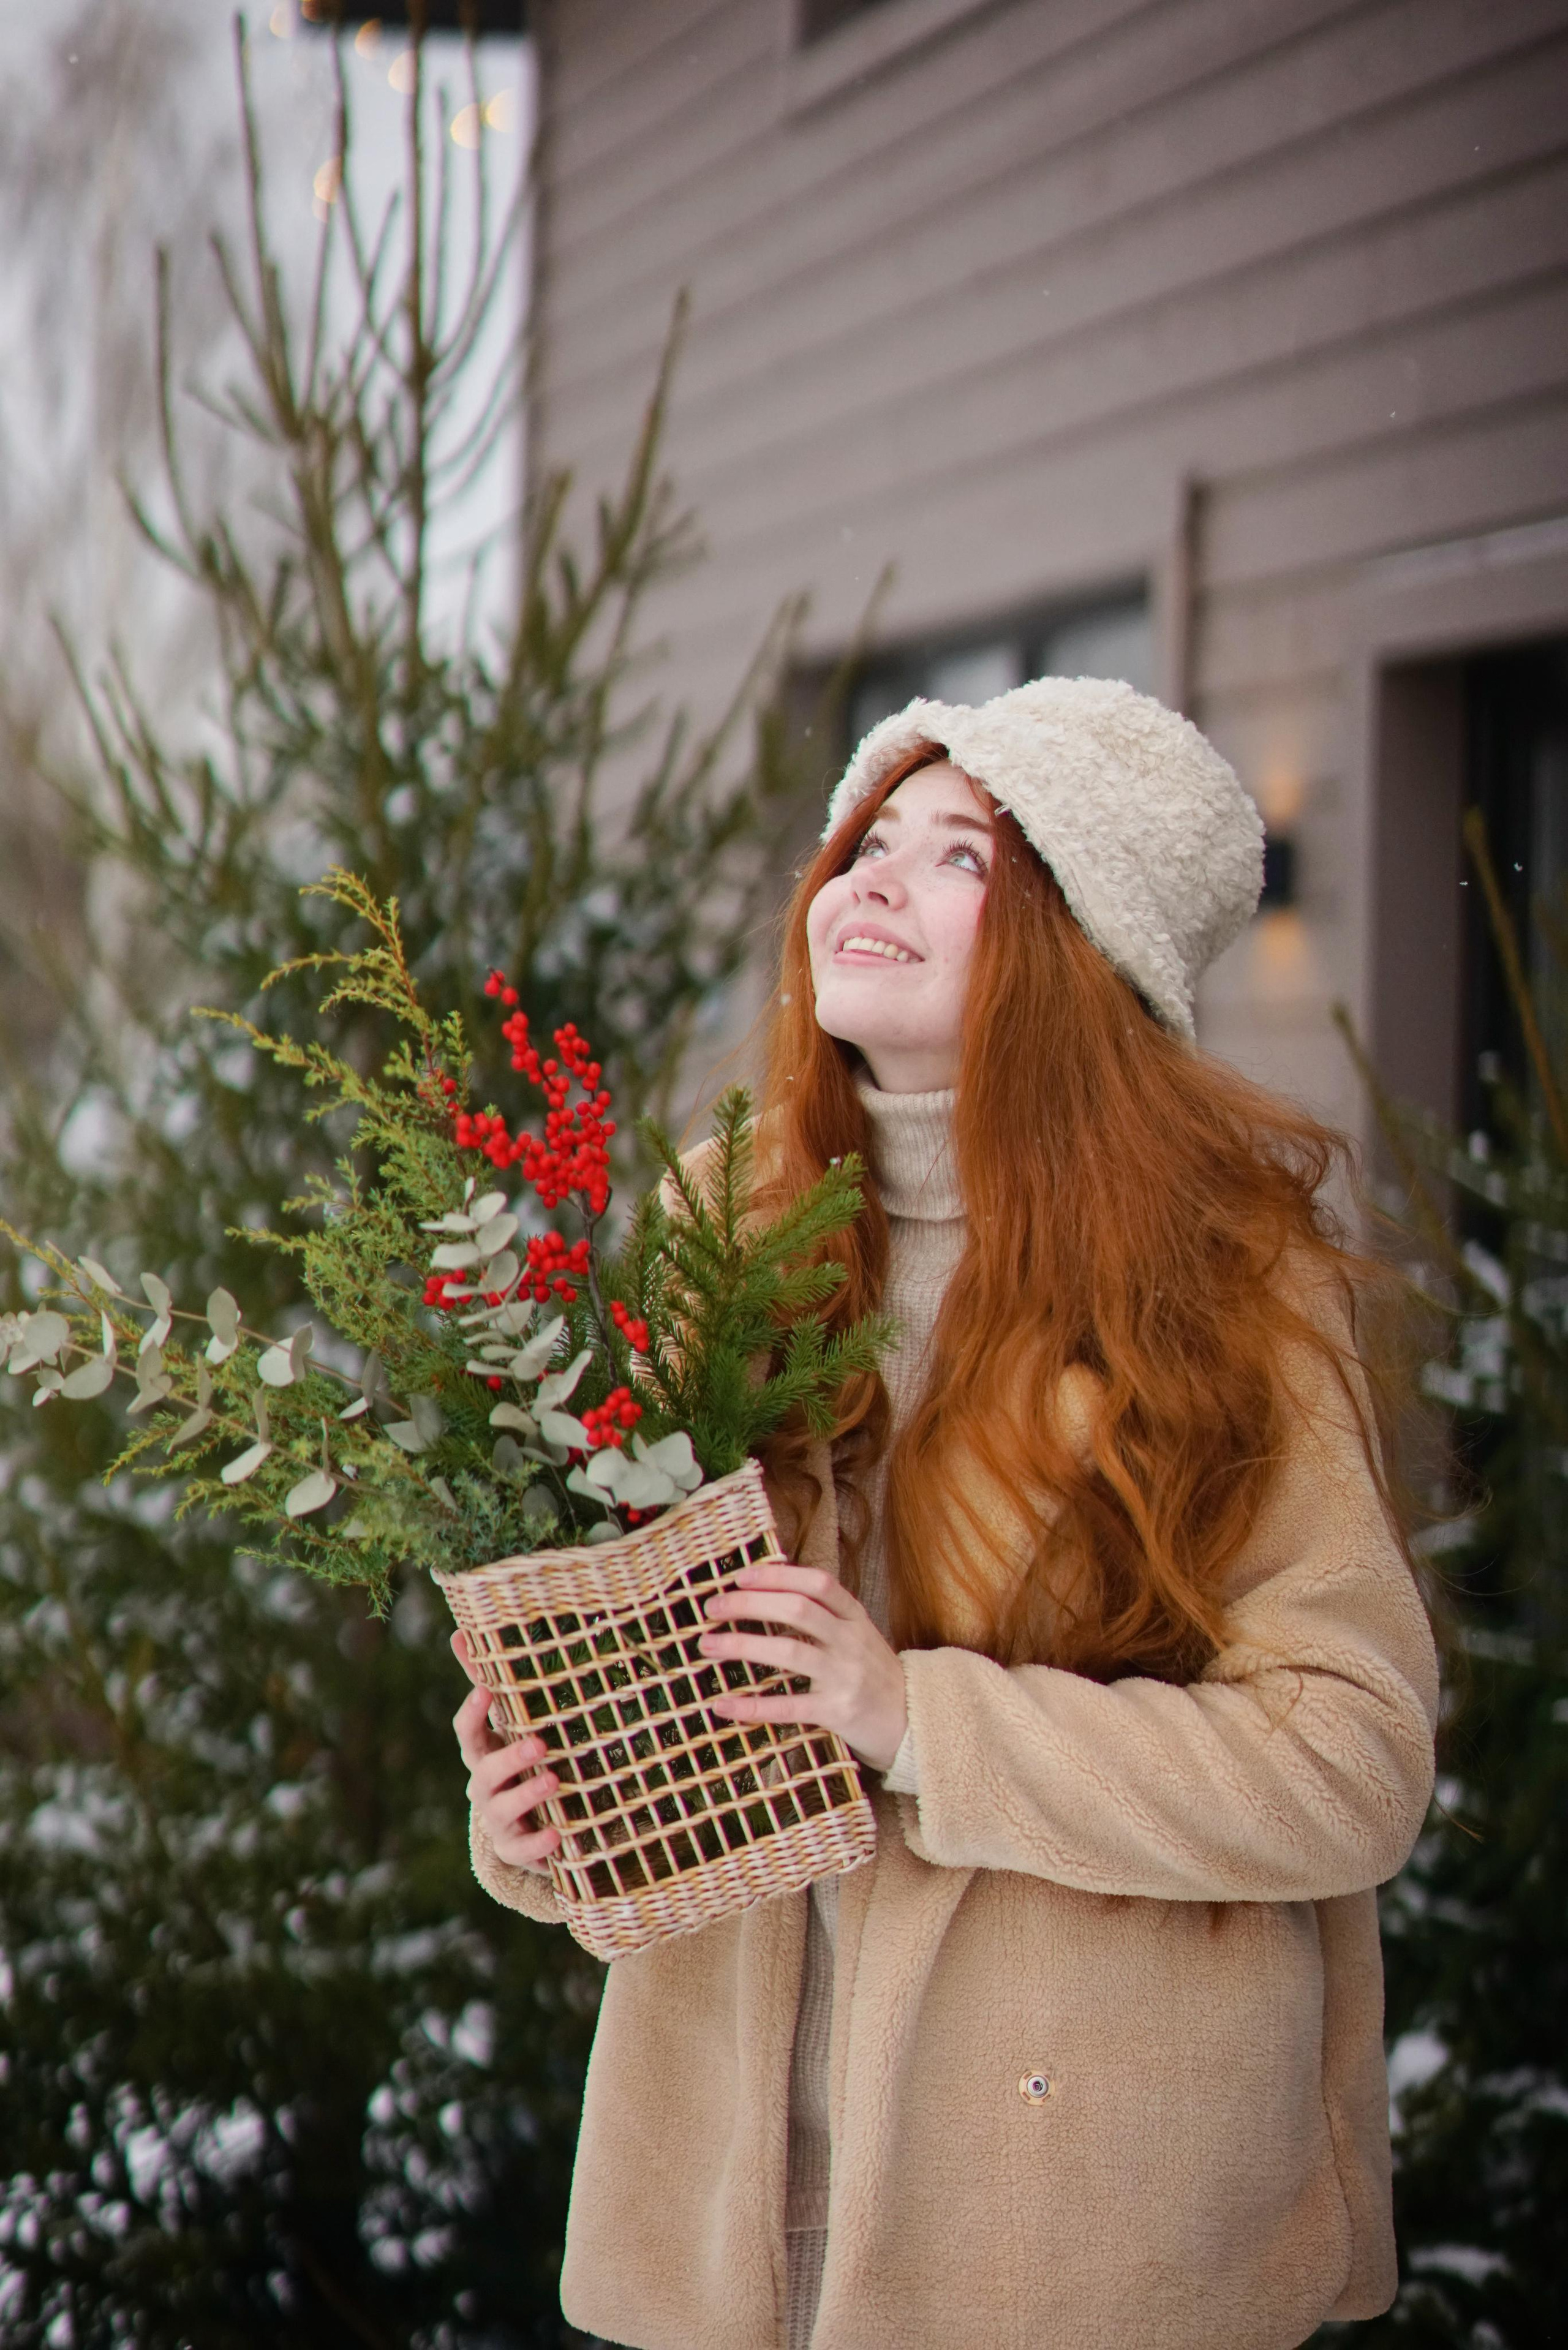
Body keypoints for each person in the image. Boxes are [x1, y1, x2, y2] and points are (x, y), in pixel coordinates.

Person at [453, 677, 1439, 2350]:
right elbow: (702, 1703)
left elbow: (1350, 1765)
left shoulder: (1224, 1275)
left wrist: (923, 1720)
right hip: (738, 2235)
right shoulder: (731, 1231)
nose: (871, 882)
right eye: (867, 840)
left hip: (1079, 2238)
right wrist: (553, 1797)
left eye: (960, 854)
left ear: (1081, 945)